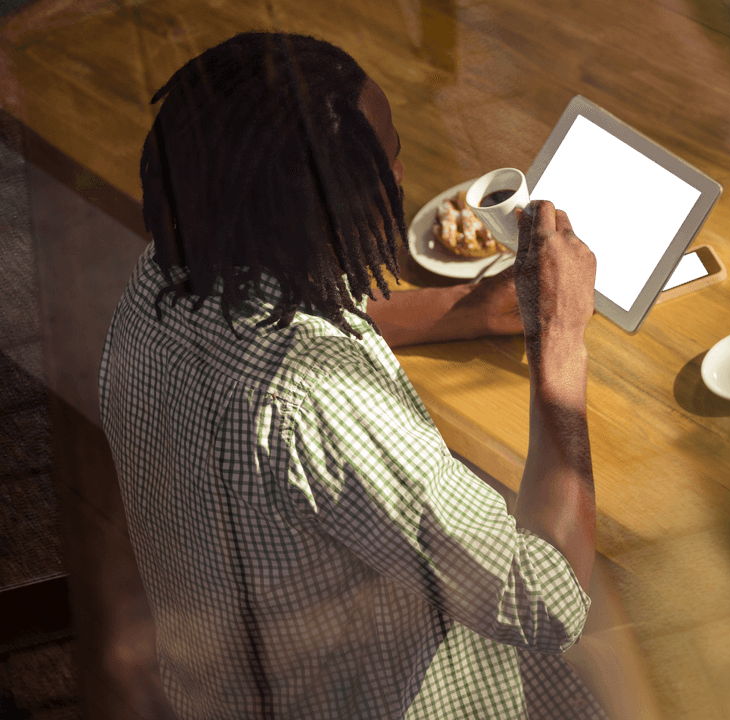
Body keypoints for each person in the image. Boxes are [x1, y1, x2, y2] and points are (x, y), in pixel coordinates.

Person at [98, 31, 601, 719]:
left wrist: (472, 310)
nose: (398, 175)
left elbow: (293, 305)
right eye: (385, 159)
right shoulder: (319, 406)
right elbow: (546, 602)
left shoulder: (163, 278)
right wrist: (561, 339)